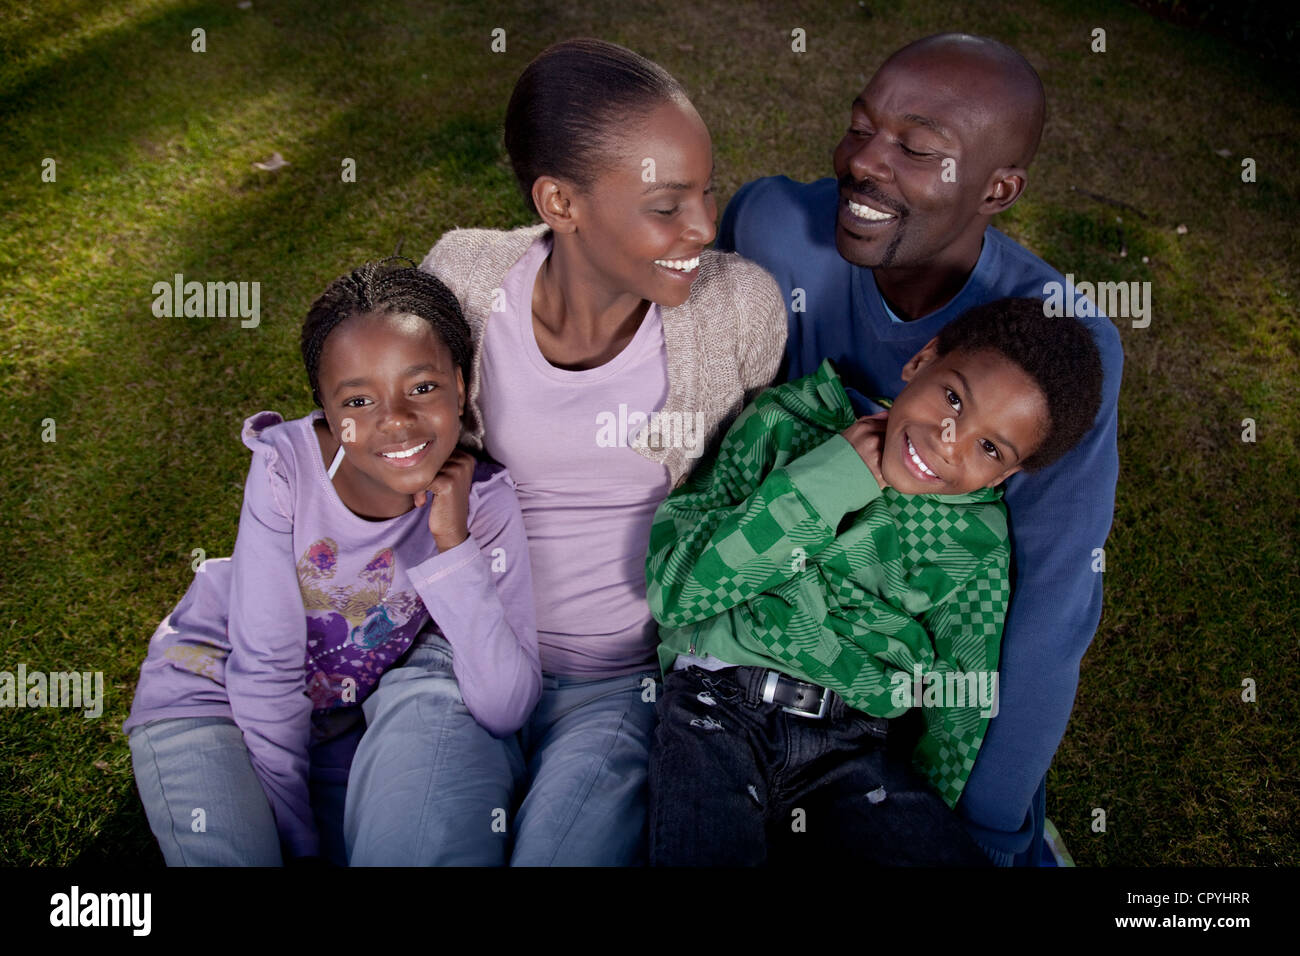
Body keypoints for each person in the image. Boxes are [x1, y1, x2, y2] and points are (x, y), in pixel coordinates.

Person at [716, 32, 1124, 865]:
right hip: (750, 645)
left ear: (998, 189)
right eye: (861, 126)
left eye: (917, 149)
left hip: (912, 688)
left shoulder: (1059, 347)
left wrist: (989, 828)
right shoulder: (769, 229)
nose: (864, 163)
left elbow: (1051, 604)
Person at [409, 38, 787, 865]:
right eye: (666, 205)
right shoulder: (464, 281)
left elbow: (757, 493)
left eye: (707, 191)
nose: (705, 226)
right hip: (460, 646)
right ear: (560, 202)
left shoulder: (740, 310)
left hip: (624, 683)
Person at [646, 297, 1102, 865]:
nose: (948, 440)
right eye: (954, 398)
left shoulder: (976, 541)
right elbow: (676, 590)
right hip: (716, 707)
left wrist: (929, 822)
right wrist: (829, 482)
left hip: (855, 745)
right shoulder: (789, 420)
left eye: (988, 448)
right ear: (922, 361)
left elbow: (960, 697)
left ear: (1005, 474)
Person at [124, 262, 540, 866]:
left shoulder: (484, 505)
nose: (395, 420)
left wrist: (454, 546)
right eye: (358, 400)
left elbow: (506, 707)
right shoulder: (285, 469)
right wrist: (298, 841)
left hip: (340, 725)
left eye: (422, 387)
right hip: (211, 693)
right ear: (324, 407)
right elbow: (264, 669)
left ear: (458, 382)